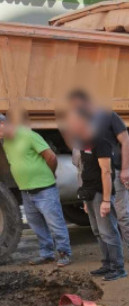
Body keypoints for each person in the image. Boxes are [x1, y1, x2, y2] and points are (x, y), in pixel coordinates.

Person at [68, 90, 129, 264]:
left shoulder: (109, 116)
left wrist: (125, 169)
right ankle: (110, 259)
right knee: (100, 224)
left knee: (123, 213)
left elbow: (126, 141)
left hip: (113, 173)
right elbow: (80, 159)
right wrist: (84, 193)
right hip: (93, 181)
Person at [0, 113, 72, 266]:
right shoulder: (5, 142)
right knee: (36, 225)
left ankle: (64, 254)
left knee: (55, 223)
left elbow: (51, 157)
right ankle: (47, 254)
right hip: (26, 190)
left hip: (44, 188)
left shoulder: (28, 135)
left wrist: (49, 175)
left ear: (3, 124)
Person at [77, 116, 127, 281]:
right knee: (98, 232)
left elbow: (106, 172)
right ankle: (107, 264)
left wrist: (106, 201)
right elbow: (85, 170)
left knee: (108, 232)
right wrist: (85, 200)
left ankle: (118, 268)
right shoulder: (84, 143)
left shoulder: (101, 142)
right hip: (89, 193)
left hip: (100, 193)